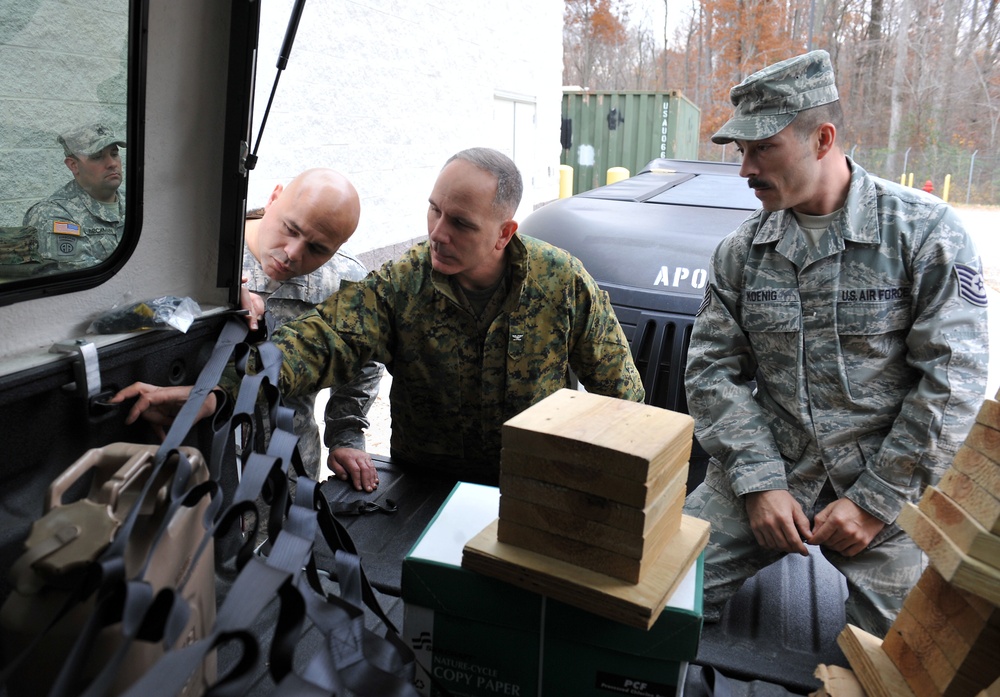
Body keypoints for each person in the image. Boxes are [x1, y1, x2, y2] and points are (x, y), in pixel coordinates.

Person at [682, 50, 989, 638]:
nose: (744, 169)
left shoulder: (924, 234)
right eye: (740, 151)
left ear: (822, 138)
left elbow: (953, 384)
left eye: (761, 148)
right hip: (768, 473)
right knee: (660, 598)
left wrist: (876, 502)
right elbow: (711, 372)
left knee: (915, 655)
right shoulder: (742, 252)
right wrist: (759, 482)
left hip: (890, 486)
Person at [114, 147, 645, 486]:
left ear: (505, 233)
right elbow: (320, 340)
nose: (437, 232)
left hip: (530, 486)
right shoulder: (403, 283)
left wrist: (607, 487)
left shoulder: (561, 283)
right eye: (434, 209)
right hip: (423, 485)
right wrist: (221, 389)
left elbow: (623, 397)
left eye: (460, 223)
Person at [240, 168, 384, 491]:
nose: (292, 254)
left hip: (286, 475)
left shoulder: (344, 281)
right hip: (198, 468)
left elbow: (366, 359)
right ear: (274, 197)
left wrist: (345, 433)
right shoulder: (204, 256)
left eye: (317, 249)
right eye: (290, 229)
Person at [23, 123, 126, 269]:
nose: (112, 163)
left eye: (114, 154)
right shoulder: (52, 215)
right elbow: (87, 280)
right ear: (73, 165)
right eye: (97, 157)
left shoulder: (139, 202)